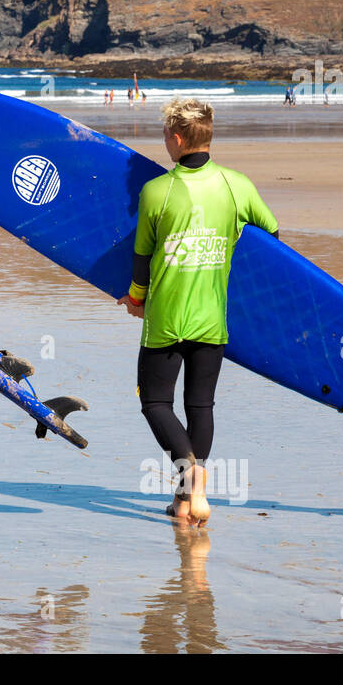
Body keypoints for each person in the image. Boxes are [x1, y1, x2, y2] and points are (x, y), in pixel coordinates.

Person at [116, 98, 278, 528]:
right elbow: (272, 236)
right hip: (212, 320)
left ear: (176, 138)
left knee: (154, 402)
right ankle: (187, 500)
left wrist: (135, 300)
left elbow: (141, 260)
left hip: (166, 319)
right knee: (200, 405)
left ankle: (193, 476)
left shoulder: (156, 191)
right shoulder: (236, 186)